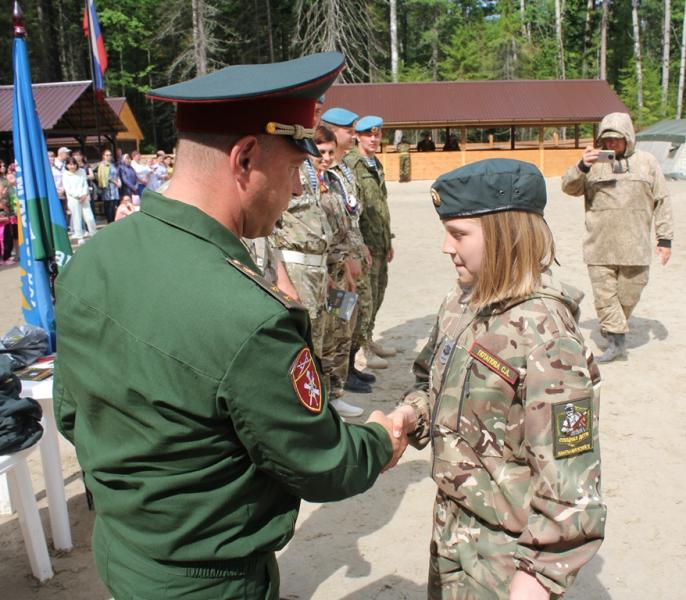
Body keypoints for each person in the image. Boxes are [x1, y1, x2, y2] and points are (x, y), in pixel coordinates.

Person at [54, 51, 407, 600]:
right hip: (211, 581)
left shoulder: (94, 259)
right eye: (292, 170)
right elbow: (320, 463)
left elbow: (73, 414)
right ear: (244, 159)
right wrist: (382, 441)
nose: (295, 191)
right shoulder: (249, 316)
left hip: (125, 553)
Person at [390, 158, 606, 600]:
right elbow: (428, 379)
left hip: (507, 555)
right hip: (453, 528)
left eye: (459, 234)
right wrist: (411, 414)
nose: (445, 247)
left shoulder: (547, 335)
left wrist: (541, 575)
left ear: (506, 235)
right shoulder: (461, 302)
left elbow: (572, 477)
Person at [561, 112, 674, 362]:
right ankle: (616, 344)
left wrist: (665, 239)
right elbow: (568, 187)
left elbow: (662, 200)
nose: (611, 144)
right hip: (599, 247)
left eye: (616, 139)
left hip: (636, 248)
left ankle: (613, 327)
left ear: (628, 137)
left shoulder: (648, 163)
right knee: (606, 298)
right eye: (607, 139)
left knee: (628, 296)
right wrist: (582, 165)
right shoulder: (592, 164)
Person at [321, 106, 377, 391]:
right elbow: (330, 222)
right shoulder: (324, 169)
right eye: (349, 131)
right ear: (332, 131)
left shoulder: (342, 168)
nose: (354, 135)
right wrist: (346, 257)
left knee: (355, 313)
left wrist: (361, 245)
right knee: (338, 320)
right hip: (336, 260)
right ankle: (339, 376)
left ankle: (349, 367)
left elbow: (351, 214)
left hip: (353, 250)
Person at [310, 124, 365, 417]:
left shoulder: (333, 181)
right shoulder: (304, 184)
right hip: (322, 273)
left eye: (331, 151)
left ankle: (336, 392)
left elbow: (346, 225)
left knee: (341, 330)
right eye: (322, 152)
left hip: (340, 271)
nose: (328, 157)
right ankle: (323, 396)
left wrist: (349, 264)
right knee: (323, 337)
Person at [345, 115, 397, 369]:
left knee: (379, 292)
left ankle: (370, 338)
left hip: (379, 241)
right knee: (365, 299)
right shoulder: (352, 164)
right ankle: (361, 347)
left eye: (377, 135)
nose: (374, 139)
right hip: (363, 243)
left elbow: (381, 206)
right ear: (357, 136)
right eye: (369, 135)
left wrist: (388, 239)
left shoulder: (374, 163)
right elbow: (352, 209)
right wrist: (359, 244)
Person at [63, 156, 97, 243]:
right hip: (73, 199)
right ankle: (79, 237)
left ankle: (94, 234)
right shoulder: (65, 174)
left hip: (84, 197)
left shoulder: (81, 171)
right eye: (70, 165)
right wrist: (78, 196)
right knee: (77, 218)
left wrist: (84, 194)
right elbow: (68, 189)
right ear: (66, 165)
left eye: (73, 164)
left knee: (90, 218)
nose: (72, 166)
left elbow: (85, 184)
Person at [96, 148, 121, 223]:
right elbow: (105, 176)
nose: (109, 157)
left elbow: (116, 174)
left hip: (114, 188)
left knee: (114, 206)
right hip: (108, 188)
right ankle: (109, 222)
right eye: (107, 155)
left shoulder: (112, 164)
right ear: (103, 156)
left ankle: (113, 221)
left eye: (110, 155)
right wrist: (115, 182)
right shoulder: (102, 165)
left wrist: (119, 181)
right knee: (109, 206)